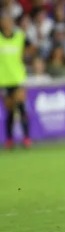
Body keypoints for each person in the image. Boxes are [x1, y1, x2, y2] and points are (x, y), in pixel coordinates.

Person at [0, 13, 32, 149]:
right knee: (10, 110)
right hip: (3, 80)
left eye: (9, 20)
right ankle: (9, 140)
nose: (8, 23)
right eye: (5, 20)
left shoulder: (20, 36)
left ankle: (26, 138)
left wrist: (26, 58)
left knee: (21, 107)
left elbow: (31, 48)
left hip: (18, 78)